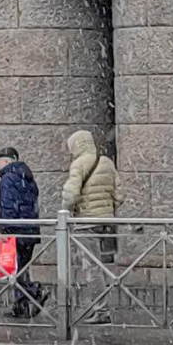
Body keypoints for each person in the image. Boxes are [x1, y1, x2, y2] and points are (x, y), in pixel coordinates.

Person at [61, 130, 123, 325]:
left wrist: (68, 211)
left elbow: (70, 196)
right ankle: (101, 307)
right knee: (101, 264)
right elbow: (120, 194)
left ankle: (101, 310)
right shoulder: (106, 162)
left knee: (92, 268)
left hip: (86, 222)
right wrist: (107, 210)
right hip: (105, 222)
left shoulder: (78, 165)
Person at [0, 147, 48, 319]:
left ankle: (35, 290)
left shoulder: (8, 179)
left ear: (8, 161)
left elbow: (8, 206)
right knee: (21, 267)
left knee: (15, 270)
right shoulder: (27, 177)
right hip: (30, 230)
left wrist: (5, 228)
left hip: (16, 230)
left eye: (1, 161)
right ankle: (21, 307)